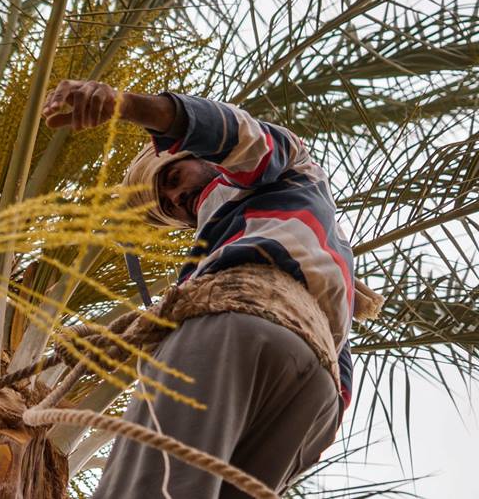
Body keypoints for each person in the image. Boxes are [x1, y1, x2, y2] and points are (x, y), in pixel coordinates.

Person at [41, 80, 379, 498]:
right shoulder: (324, 252)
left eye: (174, 176)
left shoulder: (275, 172)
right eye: (168, 205)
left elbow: (242, 136)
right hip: (314, 391)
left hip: (235, 329)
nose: (179, 195)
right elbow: (339, 365)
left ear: (198, 153)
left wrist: (128, 106)